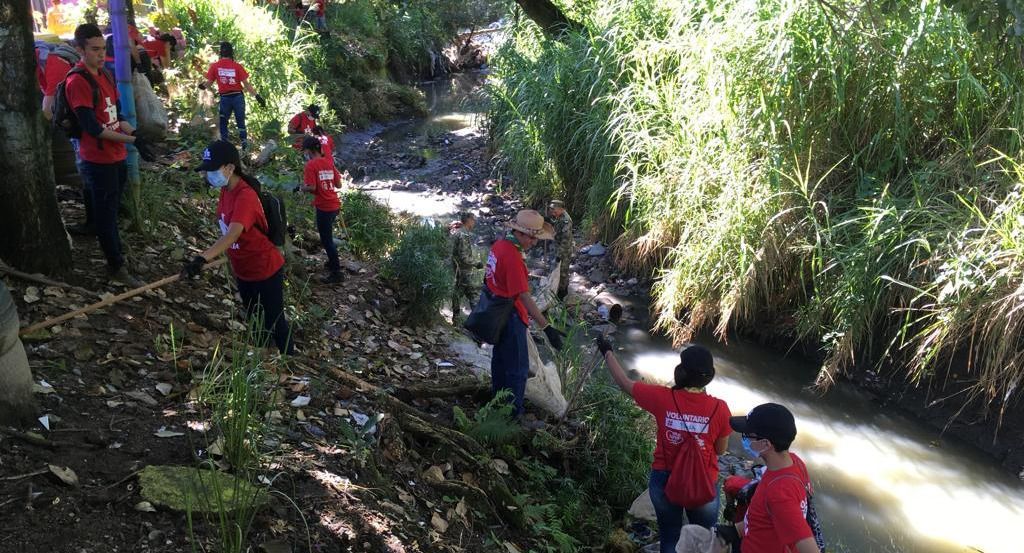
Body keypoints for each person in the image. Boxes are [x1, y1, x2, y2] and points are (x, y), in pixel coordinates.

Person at [597, 338, 731, 553]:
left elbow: (623, 383)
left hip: (664, 481)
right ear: (709, 376)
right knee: (705, 541)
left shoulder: (662, 397)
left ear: (682, 372)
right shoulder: (720, 409)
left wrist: (607, 351)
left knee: (670, 536)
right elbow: (721, 450)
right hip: (704, 483)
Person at [182, 140, 295, 355]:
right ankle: (263, 363)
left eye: (212, 170)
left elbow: (234, 232)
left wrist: (202, 258)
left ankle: (290, 364)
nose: (208, 176)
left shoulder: (245, 196)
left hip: (265, 268)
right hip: (243, 270)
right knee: (255, 318)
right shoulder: (226, 190)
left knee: (274, 319)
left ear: (230, 168)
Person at [67, 23, 155, 286]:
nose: (100, 54)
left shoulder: (105, 75)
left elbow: (116, 116)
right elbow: (93, 129)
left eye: (102, 48)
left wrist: (137, 136)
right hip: (97, 160)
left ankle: (115, 252)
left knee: (113, 211)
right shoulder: (77, 81)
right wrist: (132, 139)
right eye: (94, 49)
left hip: (117, 157)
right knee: (106, 216)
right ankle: (116, 266)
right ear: (80, 49)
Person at [484, 210, 565, 417]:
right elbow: (524, 296)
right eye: (532, 237)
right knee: (518, 370)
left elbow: (488, 280)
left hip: (496, 313)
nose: (534, 242)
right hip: (510, 318)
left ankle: (497, 402)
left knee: (500, 361)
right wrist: (547, 328)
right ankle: (513, 416)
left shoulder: (499, 246)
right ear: (519, 233)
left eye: (536, 238)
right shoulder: (512, 256)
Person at [730, 403, 821, 553]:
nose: (743, 438)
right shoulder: (794, 461)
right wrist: (735, 531)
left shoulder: (779, 494)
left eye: (747, 435)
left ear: (765, 443)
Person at [200, 42, 265, 150]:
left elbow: (208, 83)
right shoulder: (237, 66)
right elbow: (247, 85)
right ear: (231, 52)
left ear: (220, 52)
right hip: (238, 97)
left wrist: (202, 86)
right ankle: (244, 145)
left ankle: (224, 146)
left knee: (223, 122)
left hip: (225, 98)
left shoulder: (215, 66)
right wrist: (257, 96)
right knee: (240, 121)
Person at [300, 135, 344, 284]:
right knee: (328, 236)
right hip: (334, 204)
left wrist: (302, 188)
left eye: (305, 151)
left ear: (310, 150)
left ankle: (336, 272)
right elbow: (338, 185)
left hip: (324, 206)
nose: (305, 154)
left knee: (326, 240)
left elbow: (312, 187)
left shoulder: (311, 165)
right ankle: (332, 262)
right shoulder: (329, 162)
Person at [449, 212, 481, 323]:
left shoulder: (458, 232)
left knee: (458, 293)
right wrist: (477, 263)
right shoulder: (463, 234)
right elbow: (464, 257)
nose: (475, 222)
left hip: (458, 270)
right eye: (474, 220)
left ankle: (456, 319)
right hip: (464, 271)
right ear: (469, 220)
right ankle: (477, 322)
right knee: (474, 294)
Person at [547, 200, 574, 300]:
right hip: (557, 247)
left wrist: (559, 255)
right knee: (554, 269)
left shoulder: (566, 221)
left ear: (561, 209)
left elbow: (565, 240)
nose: (552, 211)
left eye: (554, 209)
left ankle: (562, 295)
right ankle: (555, 290)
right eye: (551, 209)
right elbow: (557, 226)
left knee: (562, 272)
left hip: (564, 250)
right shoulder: (559, 216)